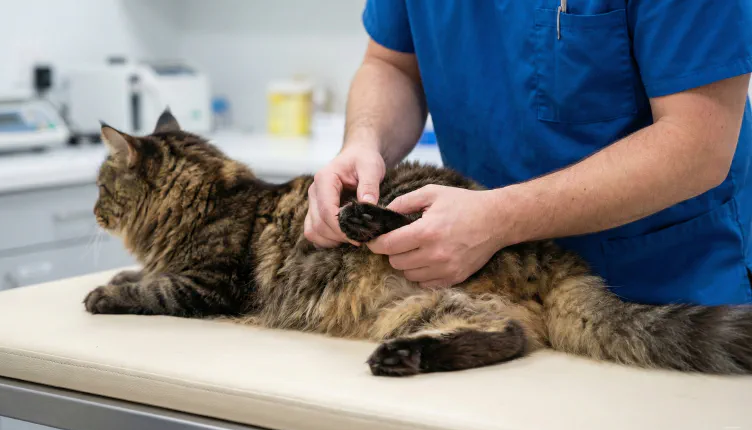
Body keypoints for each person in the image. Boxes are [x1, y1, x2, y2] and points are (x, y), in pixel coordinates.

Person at [304, 0, 752, 306]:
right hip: (497, 285)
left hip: (663, 288)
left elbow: (697, 144)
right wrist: (363, 142)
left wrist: (499, 218)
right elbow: (392, 64)